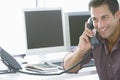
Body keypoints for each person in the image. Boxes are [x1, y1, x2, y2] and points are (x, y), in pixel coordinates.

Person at [63, 0, 120, 80]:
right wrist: (81, 50)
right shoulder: (94, 36)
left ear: (117, 15)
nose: (99, 25)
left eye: (104, 17)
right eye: (94, 19)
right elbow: (68, 68)